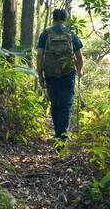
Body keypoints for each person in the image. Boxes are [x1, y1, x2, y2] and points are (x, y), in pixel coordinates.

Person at [36, 9, 84, 141]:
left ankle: (58, 133)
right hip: (67, 73)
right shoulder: (71, 34)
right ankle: (62, 135)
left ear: (53, 18)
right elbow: (79, 56)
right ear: (65, 18)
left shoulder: (45, 34)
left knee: (55, 103)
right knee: (66, 104)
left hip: (50, 73)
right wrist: (79, 71)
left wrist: (39, 74)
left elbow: (40, 54)